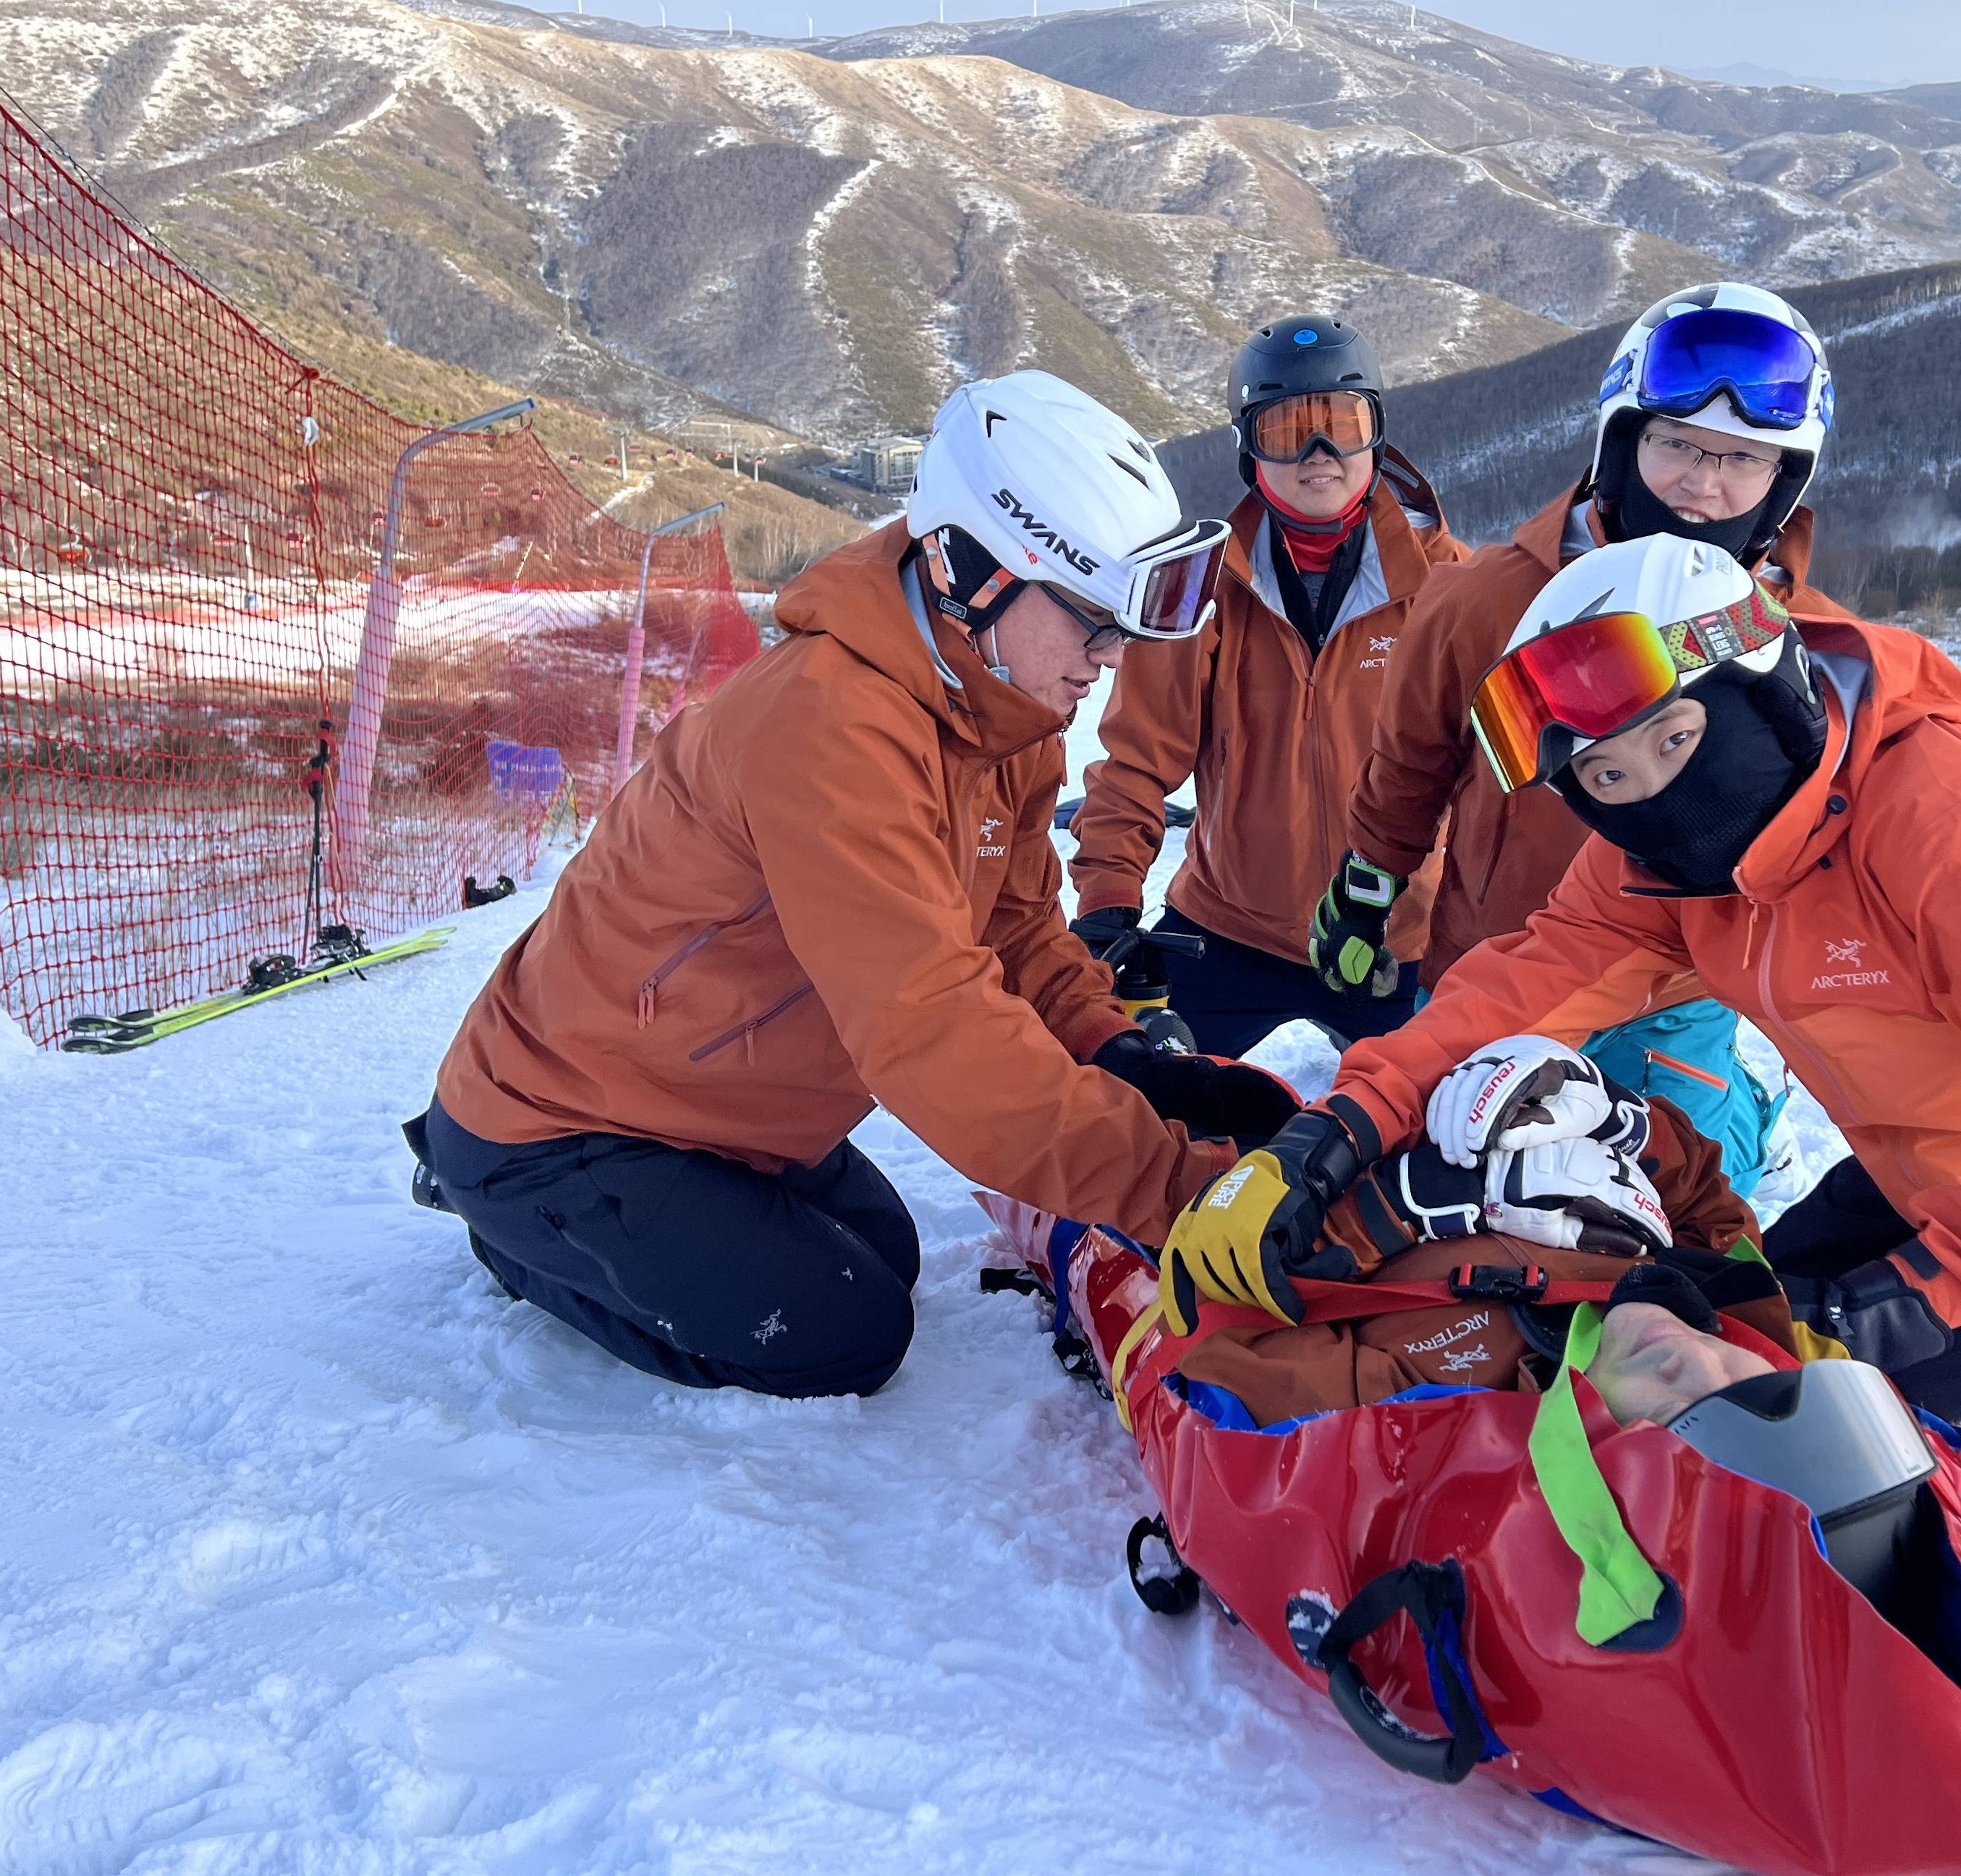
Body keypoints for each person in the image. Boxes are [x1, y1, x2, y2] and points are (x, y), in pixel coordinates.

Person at [1162, 535, 1961, 1488]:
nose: (1651, 795)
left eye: (1675, 741)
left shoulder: (1948, 818)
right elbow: (1520, 989)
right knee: (1710, 1341)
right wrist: (1341, 1128)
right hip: (1932, 1174)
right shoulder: (1659, 868)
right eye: (1605, 778)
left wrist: (1899, 1311)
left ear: (1760, 690)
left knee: (1827, 1458)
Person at [410, 370, 1297, 1400]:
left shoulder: (1001, 713)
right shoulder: (829, 729)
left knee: (886, 1251)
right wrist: (1180, 1192)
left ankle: (610, 1219)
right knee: (846, 1332)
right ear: (975, 571)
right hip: (571, 1121)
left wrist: (1127, 1060)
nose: (1109, 659)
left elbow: (1015, 935)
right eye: (1091, 620)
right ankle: (511, 1230)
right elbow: (934, 1030)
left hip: (711, 1111)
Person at [1315, 284, 1844, 1194]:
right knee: (1443, 1191)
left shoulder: (1797, 640)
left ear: (1783, 481)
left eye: (1744, 459)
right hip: (1497, 955)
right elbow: (1413, 761)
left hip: (1676, 993)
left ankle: (1750, 1111)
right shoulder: (1486, 601)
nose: (1701, 484)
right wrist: (1372, 882)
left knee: (1695, 1196)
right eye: (1675, 443)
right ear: (1622, 442)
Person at [1067, 315, 1464, 1057]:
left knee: (1439, 1138)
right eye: (1288, 430)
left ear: (1375, 436)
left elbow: (1504, 777)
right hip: (1230, 927)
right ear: (1249, 449)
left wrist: (1486, 921)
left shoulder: (1448, 586)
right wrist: (1110, 900)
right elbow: (1135, 765)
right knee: (1122, 1093)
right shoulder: (1207, 590)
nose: (1320, 455)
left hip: (1394, 935)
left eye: (1341, 425)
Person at [1161, 1035, 1796, 1427]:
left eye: (1679, 1421)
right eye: (1750, 1385)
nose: (1696, 1364)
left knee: (1170, 1121)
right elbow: (1706, 1190)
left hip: (1236, 1206)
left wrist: (1386, 1211)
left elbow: (1218, 1328)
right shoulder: (1722, 1298)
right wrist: (1619, 1122)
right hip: (1387, 1125)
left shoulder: (1441, 1401)